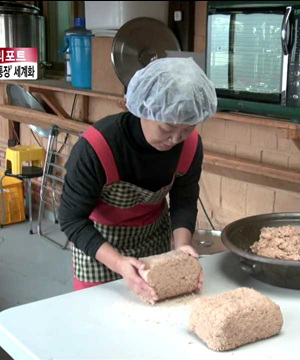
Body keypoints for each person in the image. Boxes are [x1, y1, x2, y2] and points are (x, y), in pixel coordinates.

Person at [59, 58, 217, 303]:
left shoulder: (190, 146)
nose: (176, 138)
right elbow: (71, 219)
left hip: (154, 239)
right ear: (144, 108)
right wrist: (120, 263)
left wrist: (181, 250)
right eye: (166, 128)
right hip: (99, 246)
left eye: (187, 129)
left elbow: (184, 201)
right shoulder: (98, 147)